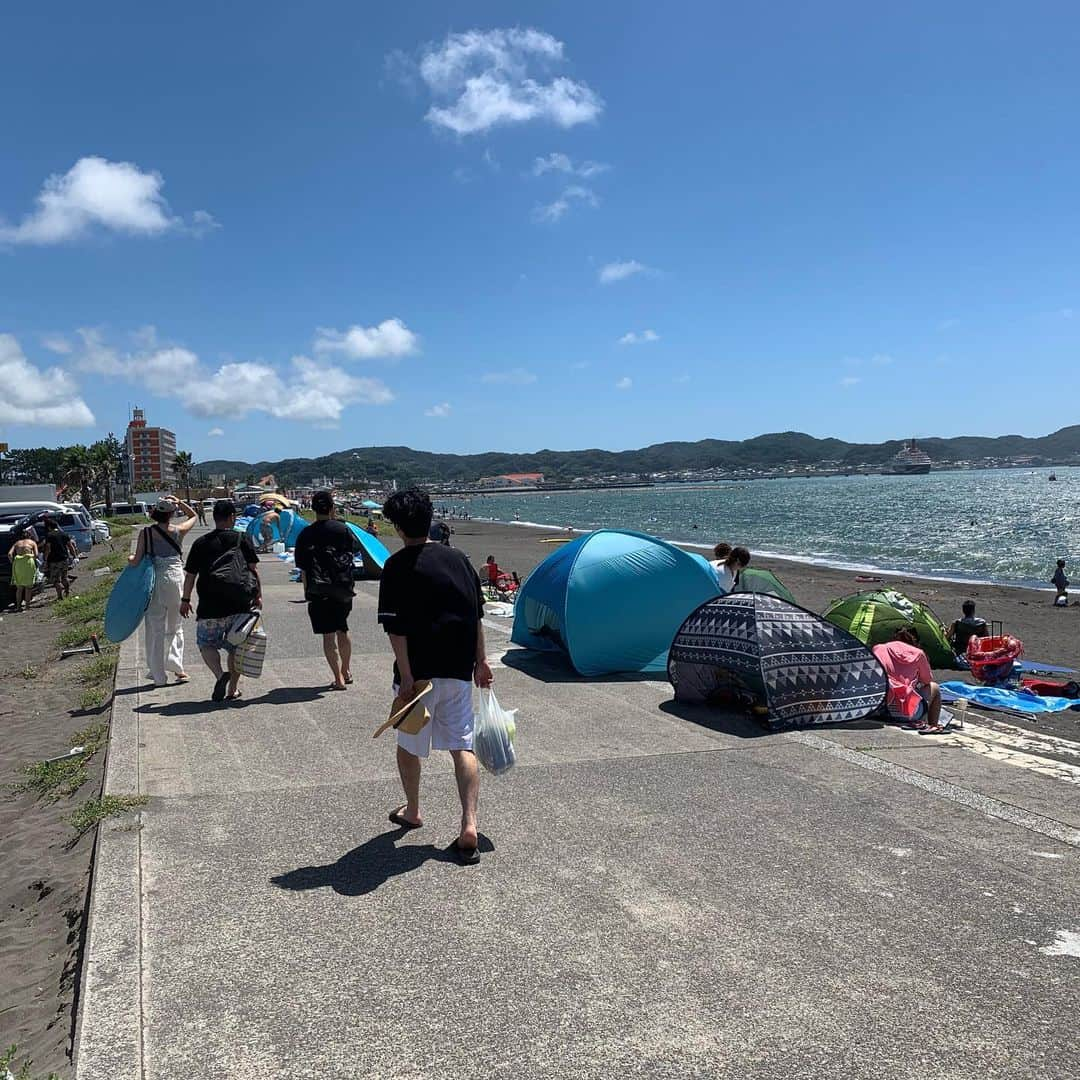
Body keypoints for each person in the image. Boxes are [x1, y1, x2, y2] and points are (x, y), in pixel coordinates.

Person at [377, 489, 493, 865]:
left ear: (397, 526)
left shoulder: (395, 568)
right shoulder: (459, 560)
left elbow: (397, 632)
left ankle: (413, 810)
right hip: (458, 669)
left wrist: (407, 676)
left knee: (409, 746)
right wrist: (482, 661)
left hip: (419, 677)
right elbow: (475, 616)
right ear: (430, 518)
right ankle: (469, 823)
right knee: (463, 745)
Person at [180, 500, 261, 702]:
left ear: (214, 518)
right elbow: (253, 569)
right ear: (232, 517)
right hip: (240, 602)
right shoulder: (242, 538)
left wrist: (185, 599)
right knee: (236, 647)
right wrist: (258, 595)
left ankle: (219, 675)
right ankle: (233, 689)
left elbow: (190, 575)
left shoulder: (201, 543)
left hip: (210, 603)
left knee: (206, 643)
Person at [294, 490, 364, 690]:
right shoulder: (342, 529)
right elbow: (352, 555)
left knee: (328, 635)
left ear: (313, 509)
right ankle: (346, 670)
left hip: (318, 589)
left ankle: (338, 677)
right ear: (333, 508)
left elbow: (303, 568)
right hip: (342, 586)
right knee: (343, 627)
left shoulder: (306, 534)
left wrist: (307, 591)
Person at [131, 497, 197, 687]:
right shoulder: (178, 531)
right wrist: (180, 501)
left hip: (154, 580)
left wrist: (129, 559)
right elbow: (192, 515)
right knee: (175, 625)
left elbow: (136, 560)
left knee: (155, 628)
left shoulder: (146, 533)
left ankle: (159, 677)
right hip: (175, 579)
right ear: (171, 514)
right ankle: (177, 667)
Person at [873, 626, 945, 733]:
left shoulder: (878, 648)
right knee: (934, 687)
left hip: (877, 709)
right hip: (906, 713)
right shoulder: (918, 653)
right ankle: (932, 724)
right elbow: (926, 680)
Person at [41, 518, 76, 600]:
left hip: (54, 560)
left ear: (49, 527)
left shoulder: (49, 536)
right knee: (64, 577)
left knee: (56, 580)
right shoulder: (63, 534)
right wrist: (74, 555)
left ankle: (60, 596)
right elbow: (70, 546)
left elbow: (48, 548)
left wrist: (45, 559)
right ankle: (67, 591)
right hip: (64, 558)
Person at [10, 530, 39, 612]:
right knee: (28, 587)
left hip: (18, 564)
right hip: (28, 564)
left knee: (19, 588)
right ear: (29, 536)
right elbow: (36, 555)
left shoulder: (17, 543)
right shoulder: (32, 542)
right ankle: (27, 607)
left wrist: (13, 562)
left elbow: (9, 554)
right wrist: (30, 556)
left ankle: (18, 607)